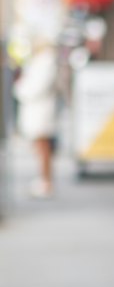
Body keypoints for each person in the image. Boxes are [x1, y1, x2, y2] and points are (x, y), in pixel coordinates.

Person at [13, 36, 60, 198]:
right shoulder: (40, 61)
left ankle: (46, 182)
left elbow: (35, 87)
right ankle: (43, 180)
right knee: (40, 147)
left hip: (41, 110)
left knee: (43, 147)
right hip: (37, 109)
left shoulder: (46, 62)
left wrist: (20, 88)